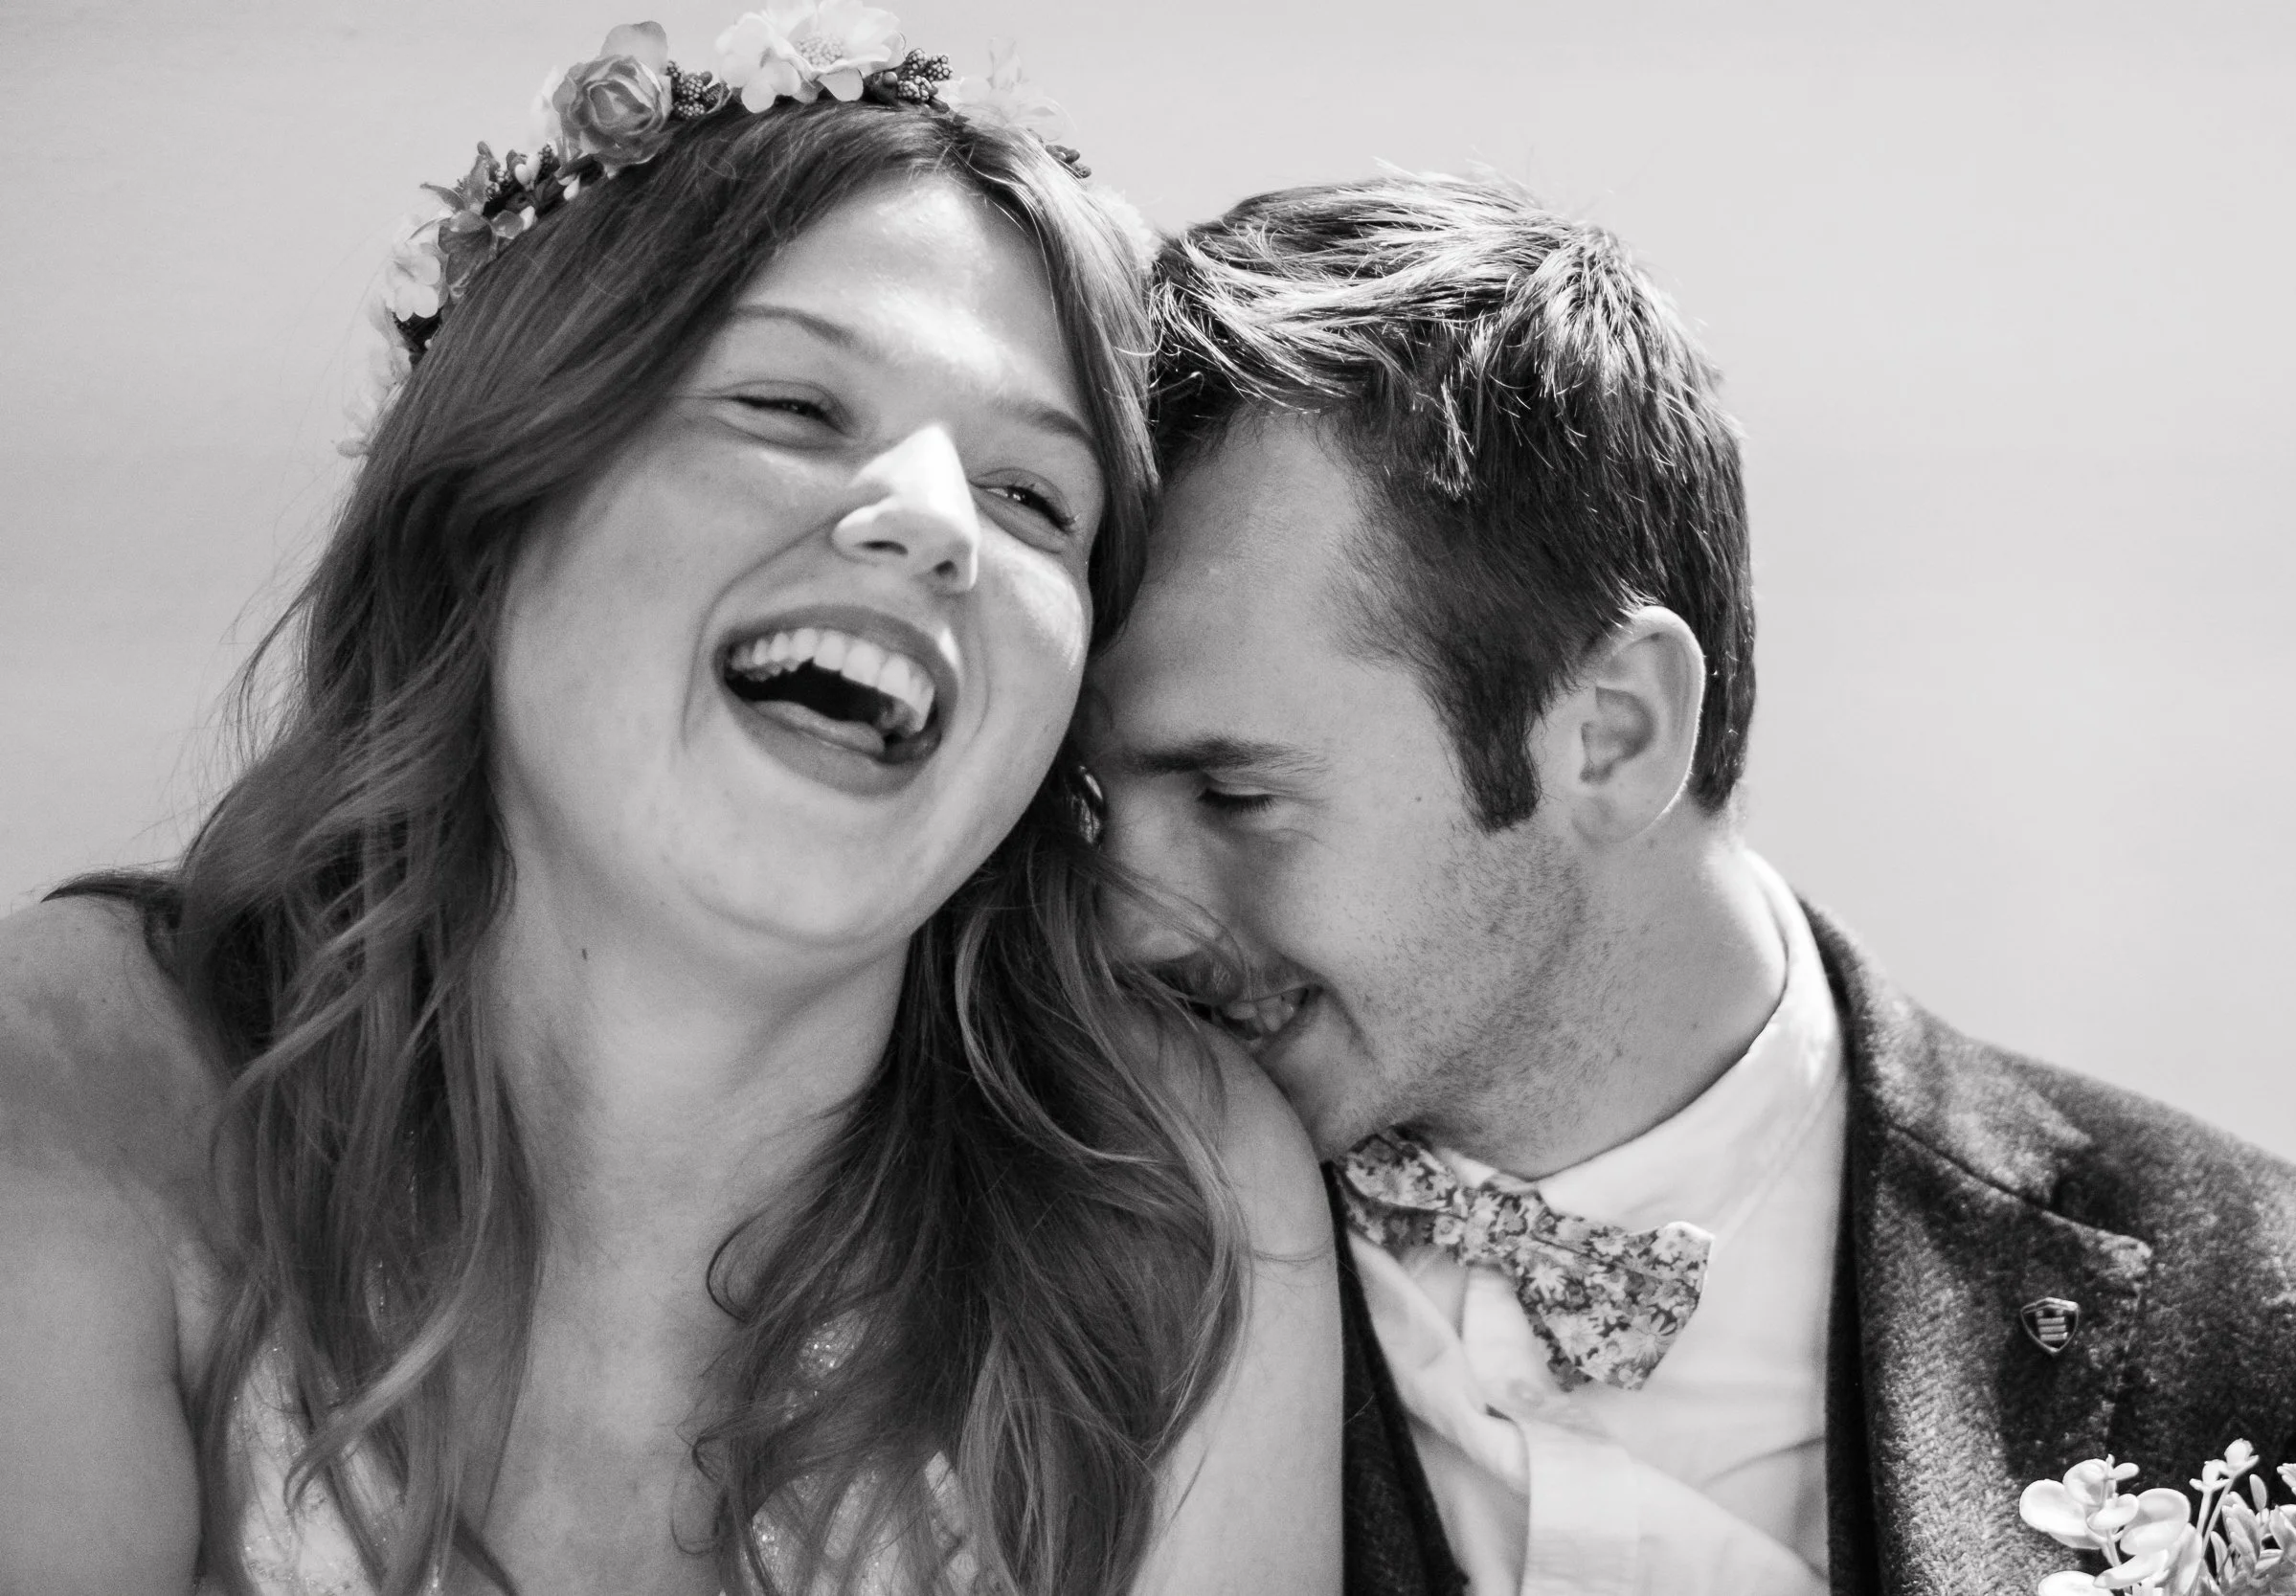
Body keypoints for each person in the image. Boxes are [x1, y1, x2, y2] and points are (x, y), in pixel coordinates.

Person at [0, 16, 1340, 1595]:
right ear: (495, 504)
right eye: (790, 407)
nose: (930, 522)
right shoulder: (80, 1074)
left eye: (1035, 497)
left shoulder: (1166, 1201)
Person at [1084, 172, 2296, 1596]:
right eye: (1086, 804)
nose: (1117, 911)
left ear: (1617, 730)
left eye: (1234, 795)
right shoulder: (1054, 1285)